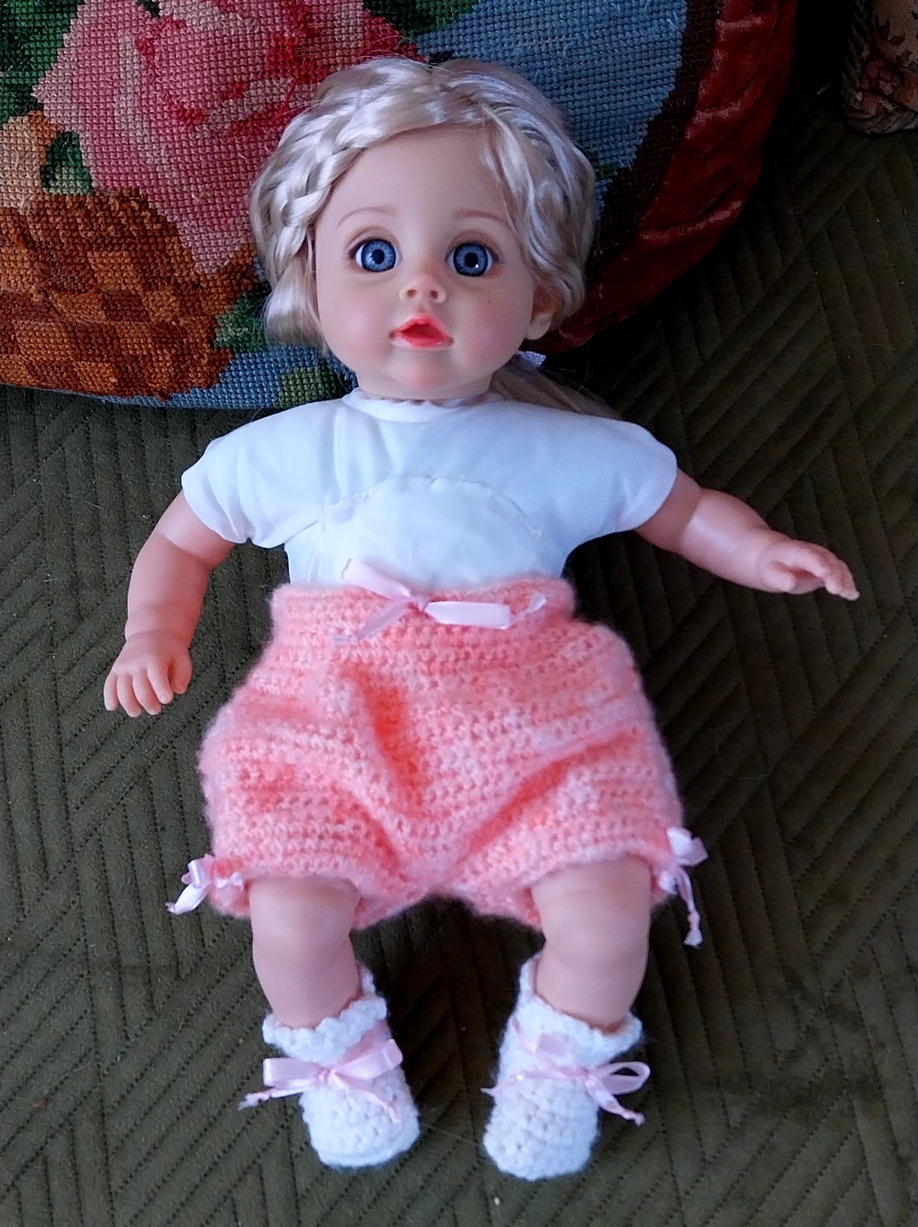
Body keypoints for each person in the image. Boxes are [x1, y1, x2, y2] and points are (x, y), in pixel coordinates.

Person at [104, 57, 858, 1181]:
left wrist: (758, 551)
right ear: (307, 280)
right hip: (338, 728)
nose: (423, 288)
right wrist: (152, 631)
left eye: (471, 259)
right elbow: (181, 542)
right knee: (288, 916)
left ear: (539, 298)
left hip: (535, 733)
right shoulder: (287, 453)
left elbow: (682, 509)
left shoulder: (566, 449)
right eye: (374, 255)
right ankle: (334, 1053)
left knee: (609, 907)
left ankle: (564, 1054)